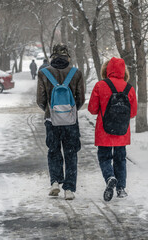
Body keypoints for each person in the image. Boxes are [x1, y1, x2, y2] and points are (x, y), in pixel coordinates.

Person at [37, 43, 85, 200]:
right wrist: (70, 112)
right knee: (71, 153)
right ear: (67, 56)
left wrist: (51, 111)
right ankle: (69, 189)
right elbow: (81, 99)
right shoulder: (76, 73)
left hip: (52, 121)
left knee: (53, 151)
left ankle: (56, 182)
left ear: (53, 55)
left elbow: (40, 100)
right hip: (71, 122)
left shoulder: (43, 73)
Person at [88, 57, 137, 201]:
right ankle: (121, 188)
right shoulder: (129, 88)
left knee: (104, 157)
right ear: (124, 71)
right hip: (122, 131)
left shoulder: (100, 85)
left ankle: (110, 177)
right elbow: (133, 113)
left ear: (106, 69)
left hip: (104, 131)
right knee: (120, 159)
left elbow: (92, 109)